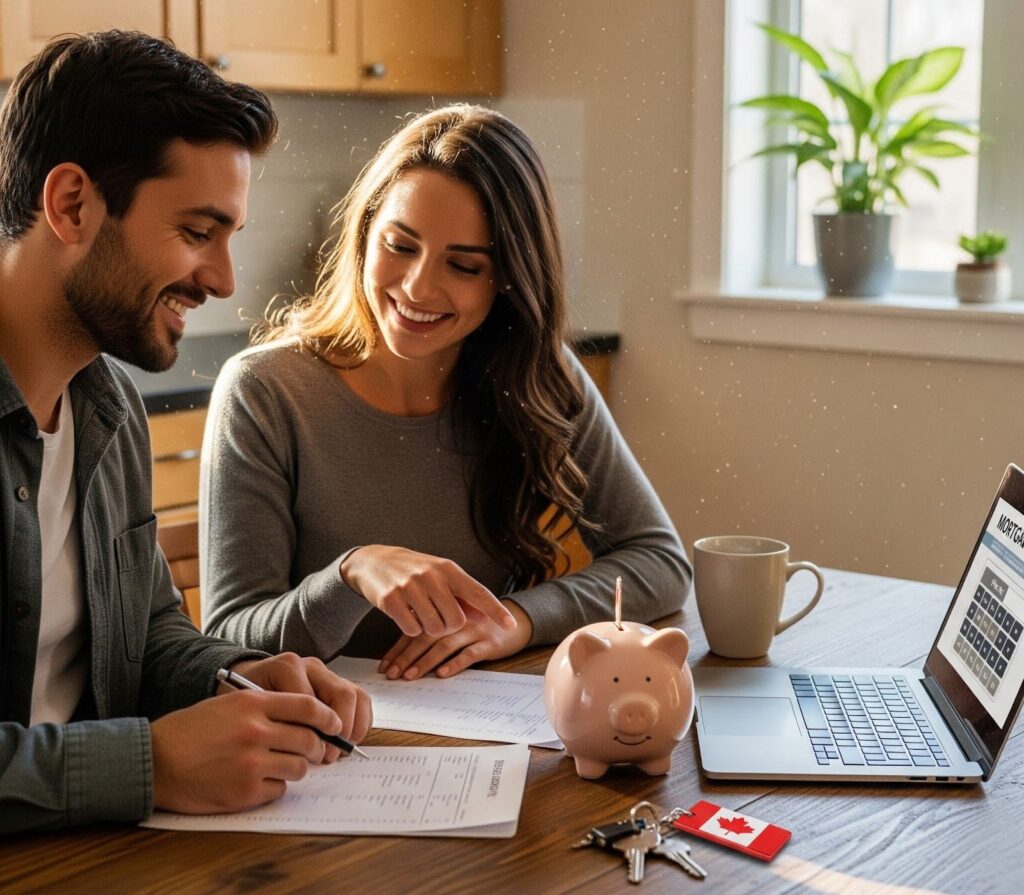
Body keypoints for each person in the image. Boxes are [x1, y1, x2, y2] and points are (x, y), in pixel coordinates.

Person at [0, 31, 372, 835]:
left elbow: (145, 632)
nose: (224, 279)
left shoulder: (108, 409)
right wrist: (151, 764)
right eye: (199, 232)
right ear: (71, 204)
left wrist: (231, 677)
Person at [201, 104, 691, 680]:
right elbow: (229, 637)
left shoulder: (539, 377)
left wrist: (516, 619)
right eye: (400, 246)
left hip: (488, 726)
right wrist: (352, 574)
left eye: (462, 266)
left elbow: (660, 562)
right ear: (364, 234)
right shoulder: (264, 392)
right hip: (325, 739)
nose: (417, 287)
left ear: (508, 280)